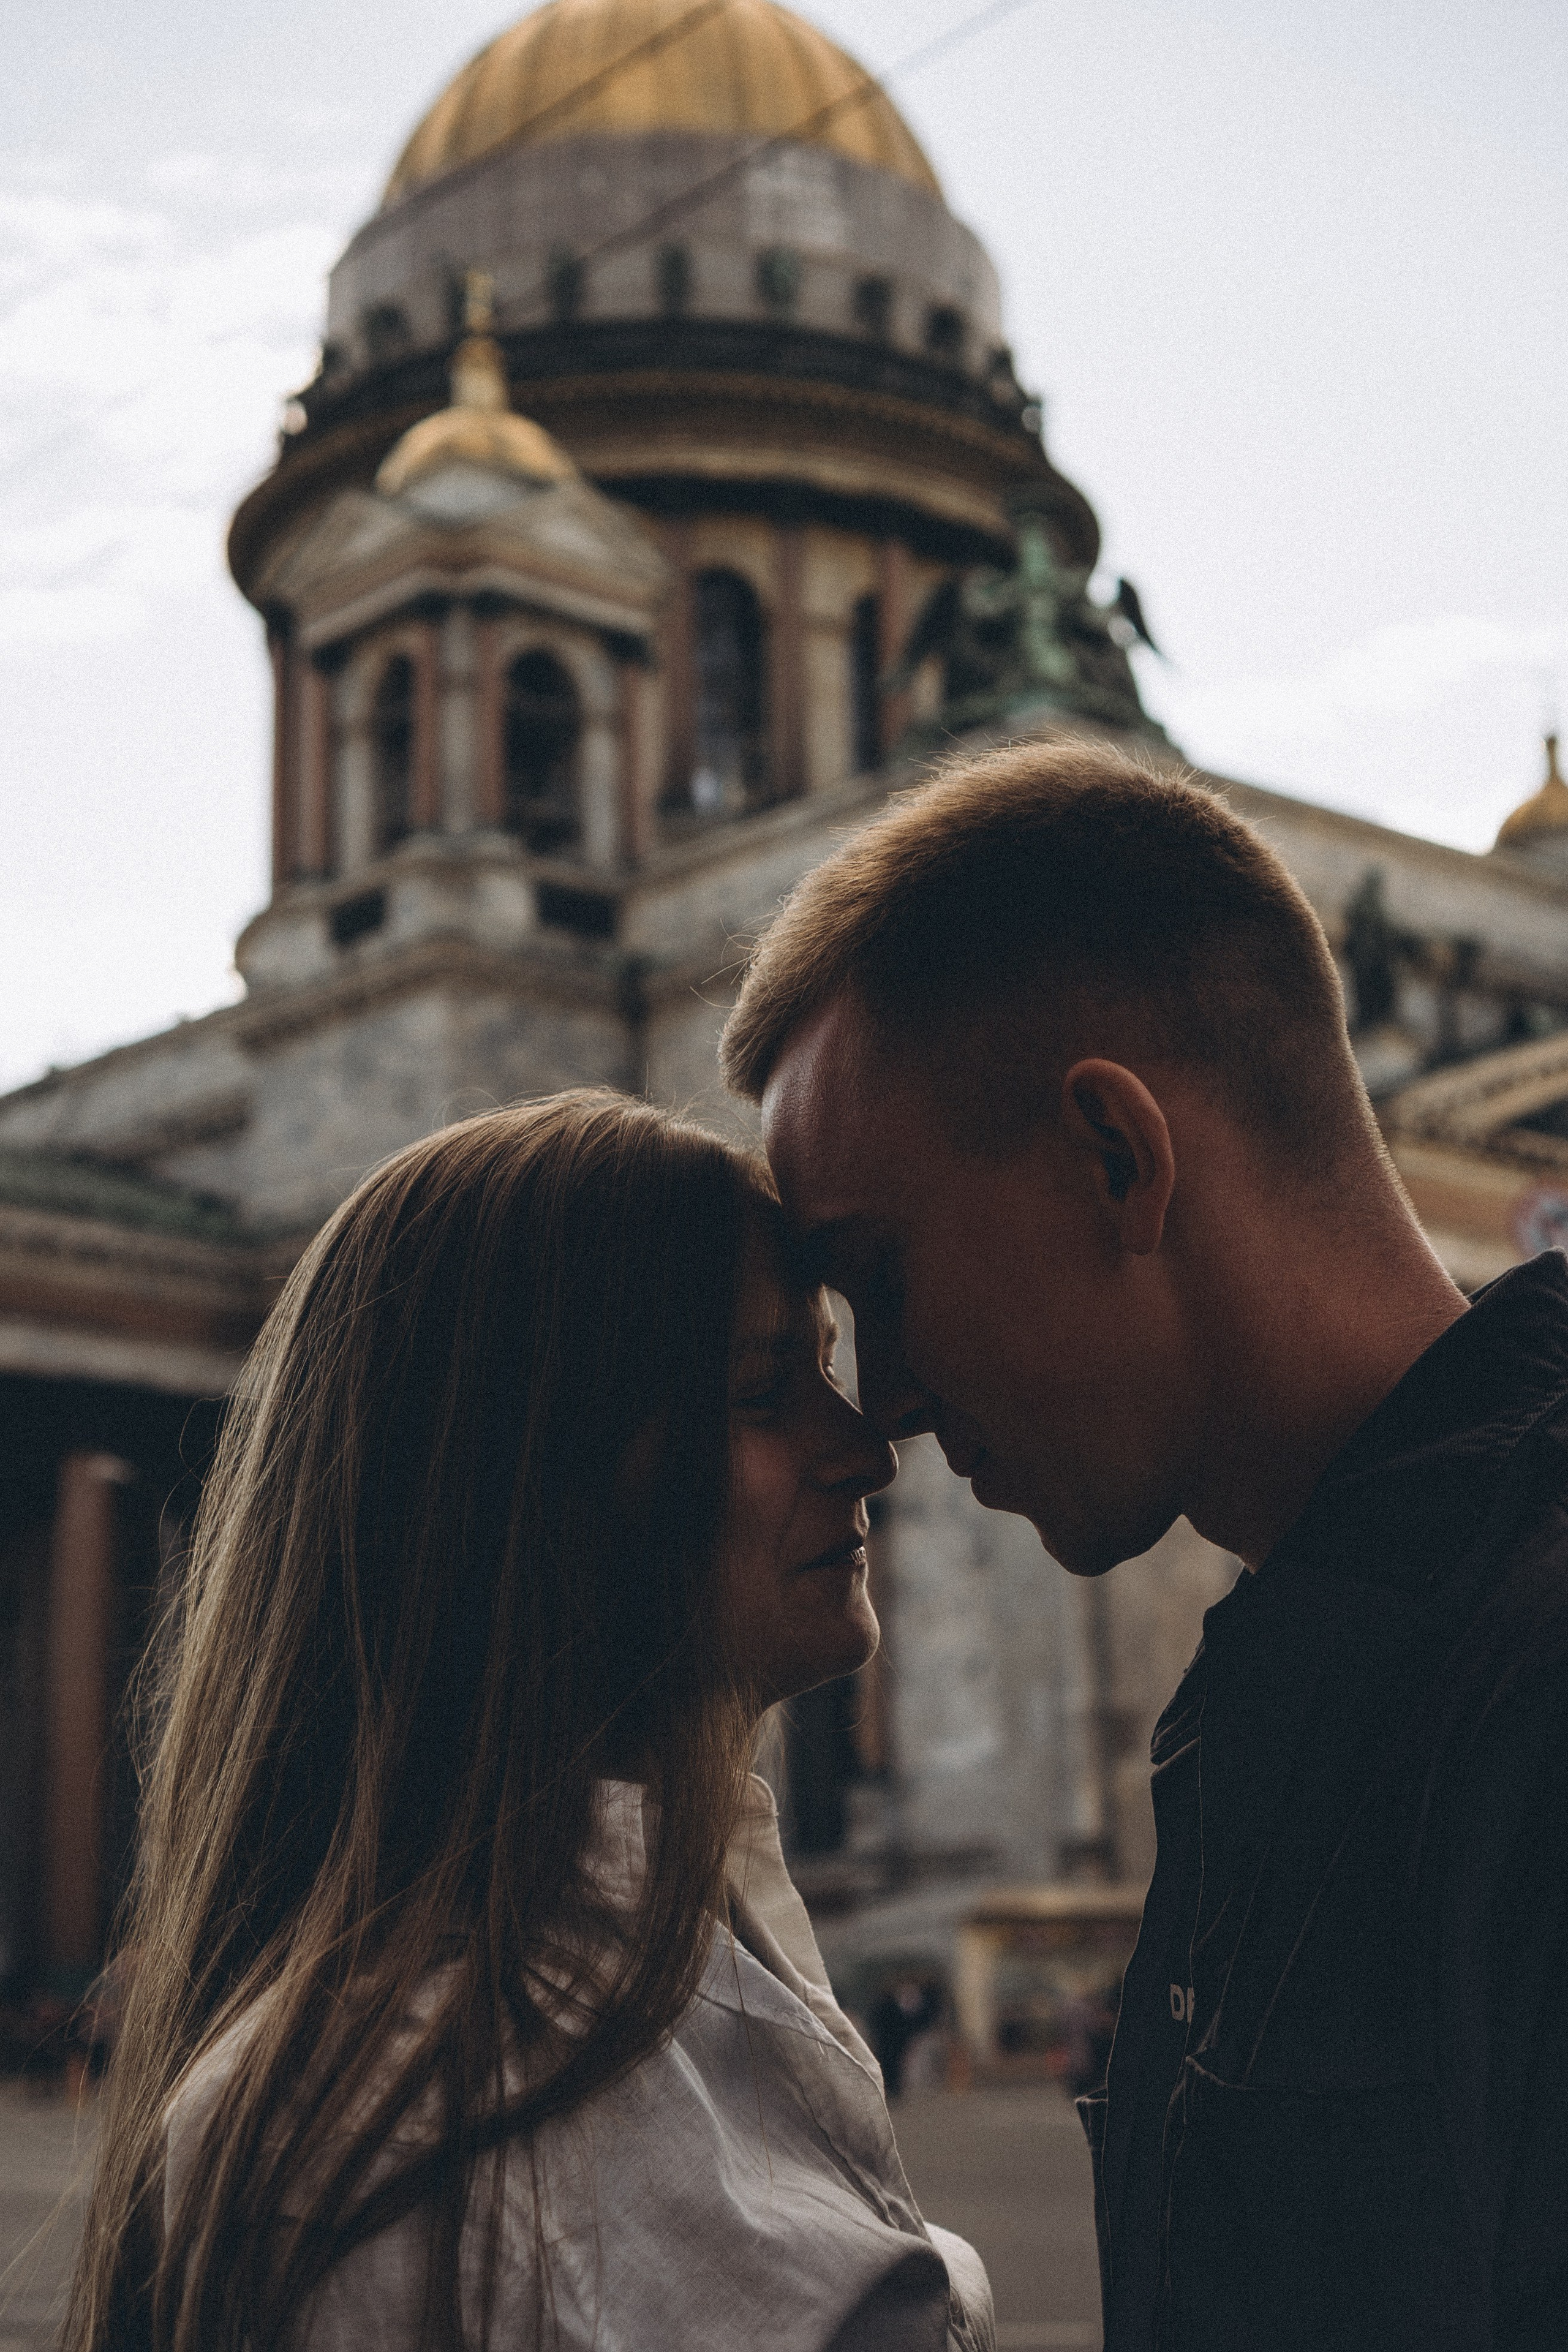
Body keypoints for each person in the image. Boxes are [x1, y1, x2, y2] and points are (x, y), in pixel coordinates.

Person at [722, 739, 1568, 2351]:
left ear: (1118, 1158)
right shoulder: (1290, 1686)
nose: (879, 1404)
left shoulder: (1528, 1674)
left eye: (878, 1280)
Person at [65, 1093, 993, 2352]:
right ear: (530, 1482)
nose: (865, 1450)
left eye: (823, 1370)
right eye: (765, 1389)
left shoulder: (665, 1956)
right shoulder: (394, 2133)